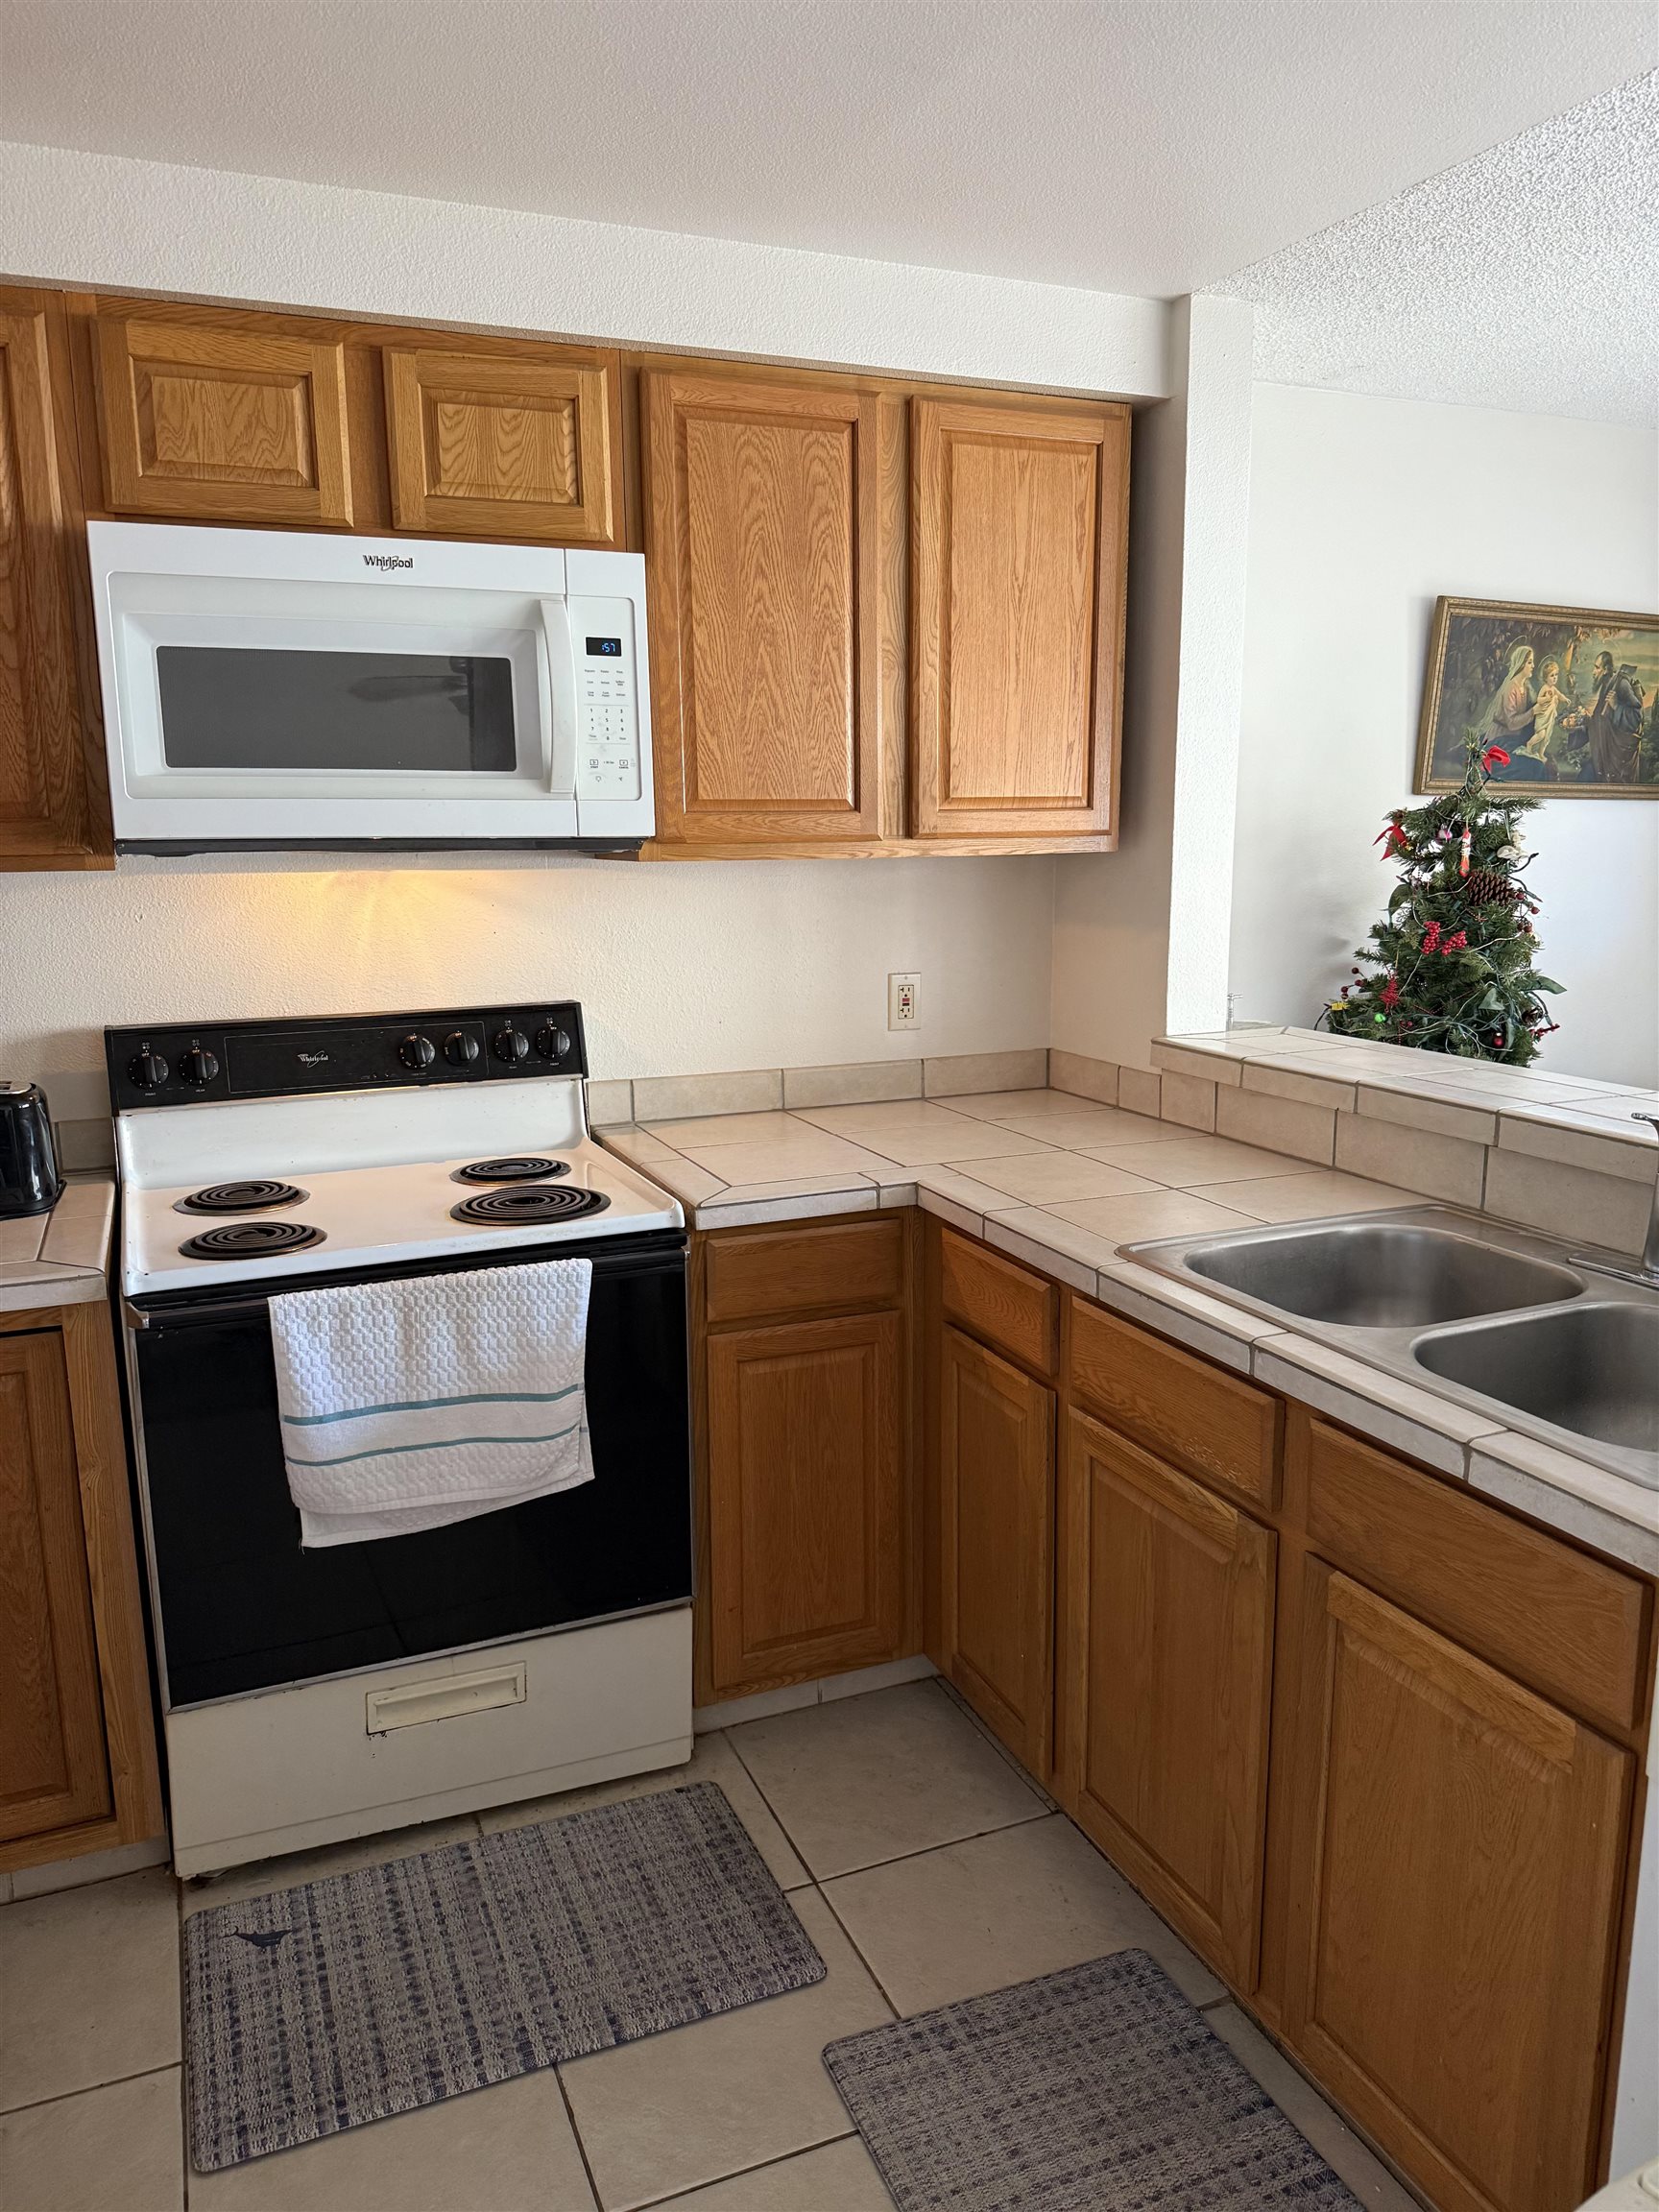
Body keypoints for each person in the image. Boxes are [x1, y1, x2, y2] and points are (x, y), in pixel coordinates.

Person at [1581, 651, 1646, 785]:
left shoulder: (1621, 685)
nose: (1593, 672)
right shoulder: (1606, 685)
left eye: (1597, 667)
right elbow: (1601, 720)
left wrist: (1616, 706)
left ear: (1606, 670)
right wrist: (1586, 720)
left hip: (1617, 759)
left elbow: (1636, 717)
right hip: (1603, 756)